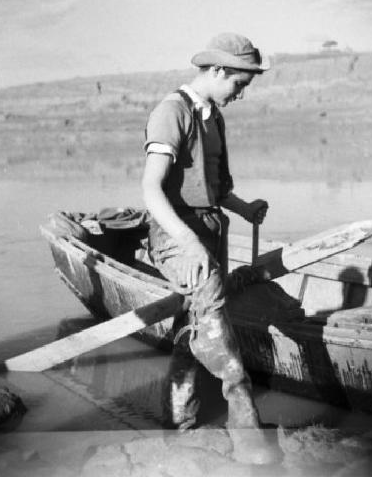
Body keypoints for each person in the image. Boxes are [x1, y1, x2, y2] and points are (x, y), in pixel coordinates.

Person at [142, 32, 278, 464]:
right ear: (218, 71)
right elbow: (150, 189)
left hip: (209, 232)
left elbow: (216, 188)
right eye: (239, 84)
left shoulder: (213, 117)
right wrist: (187, 243)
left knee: (194, 324)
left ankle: (178, 422)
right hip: (178, 236)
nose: (239, 95)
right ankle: (251, 441)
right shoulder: (172, 113)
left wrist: (243, 207)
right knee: (219, 329)